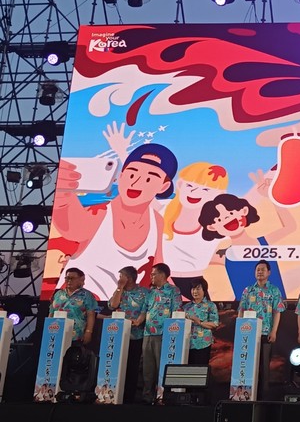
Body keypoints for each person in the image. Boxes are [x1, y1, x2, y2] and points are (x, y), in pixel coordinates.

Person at [54, 143, 178, 298]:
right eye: (131, 174)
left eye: (149, 179)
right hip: (81, 303)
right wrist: (63, 193)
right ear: (121, 176)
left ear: (163, 186)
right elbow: (73, 228)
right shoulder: (100, 213)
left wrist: (180, 297)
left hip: (128, 305)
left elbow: (160, 268)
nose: (136, 182)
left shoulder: (156, 220)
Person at [162, 162, 229, 299]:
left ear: (220, 195)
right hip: (162, 284)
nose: (194, 192)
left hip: (195, 286)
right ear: (180, 184)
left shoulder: (217, 226)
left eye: (205, 189)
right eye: (190, 186)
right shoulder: (162, 209)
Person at [133, 262, 182, 404]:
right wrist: (137, 322)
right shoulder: (150, 292)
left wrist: (172, 331)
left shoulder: (173, 290)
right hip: (148, 333)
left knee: (162, 365)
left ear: (162, 275)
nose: (151, 276)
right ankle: (147, 396)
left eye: (153, 274)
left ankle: (162, 396)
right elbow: (144, 311)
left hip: (164, 333)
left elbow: (177, 311)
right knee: (147, 367)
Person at [238, 260, 285, 400]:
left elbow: (277, 312)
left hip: (265, 333)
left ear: (269, 272)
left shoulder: (274, 290)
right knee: (247, 364)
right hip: (248, 334)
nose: (259, 272)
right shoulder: (248, 290)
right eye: (257, 269)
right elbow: (241, 310)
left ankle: (262, 397)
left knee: (263, 367)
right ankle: (245, 395)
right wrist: (239, 329)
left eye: (263, 269)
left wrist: (274, 331)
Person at [107, 266, 149, 403]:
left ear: (129, 278)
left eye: (121, 277)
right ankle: (112, 393)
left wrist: (138, 321)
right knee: (116, 364)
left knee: (132, 366)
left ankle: (129, 397)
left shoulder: (144, 292)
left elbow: (145, 310)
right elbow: (113, 305)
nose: (119, 279)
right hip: (117, 335)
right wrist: (119, 288)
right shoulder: (120, 291)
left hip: (136, 335)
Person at [49, 267, 98, 346]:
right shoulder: (58, 294)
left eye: (72, 278)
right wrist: (48, 328)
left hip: (76, 335)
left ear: (80, 279)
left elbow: (91, 314)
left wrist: (88, 332)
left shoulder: (86, 295)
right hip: (56, 333)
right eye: (67, 278)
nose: (69, 280)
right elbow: (51, 312)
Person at [184, 277, 219, 365]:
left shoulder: (210, 305)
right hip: (187, 344)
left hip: (203, 343)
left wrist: (199, 322)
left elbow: (214, 324)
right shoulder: (186, 307)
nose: (195, 291)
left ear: (204, 290)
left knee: (201, 368)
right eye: (193, 289)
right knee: (188, 369)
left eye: (198, 289)